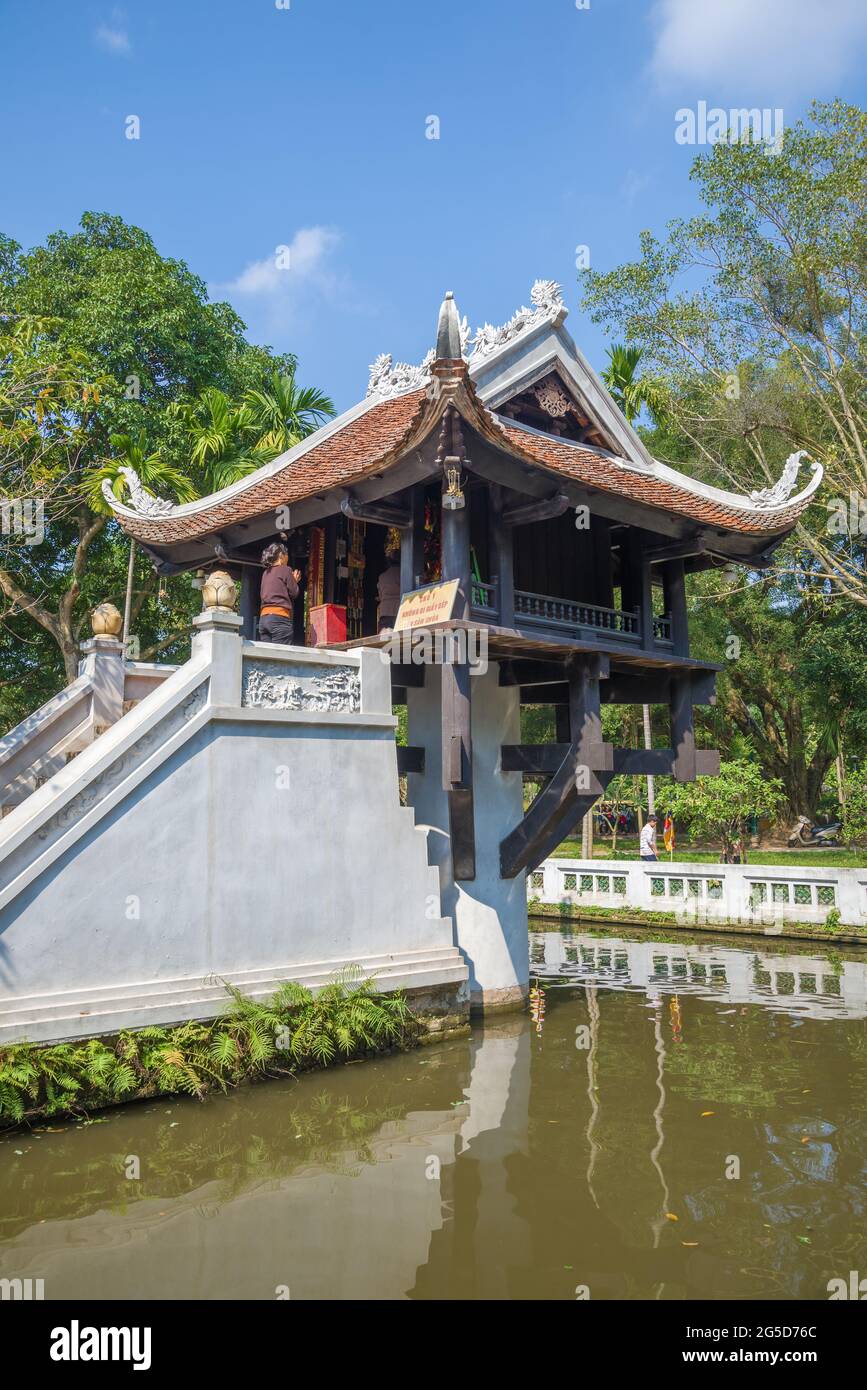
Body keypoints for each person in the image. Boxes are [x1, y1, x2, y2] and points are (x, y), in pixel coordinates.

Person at [258, 541, 301, 644]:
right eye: (287, 555)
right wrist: (294, 581)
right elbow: (294, 593)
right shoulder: (285, 570)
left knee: (267, 655)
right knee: (279, 656)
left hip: (264, 619)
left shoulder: (265, 573)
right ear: (282, 556)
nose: (288, 558)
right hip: (279, 619)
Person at [377, 545, 401, 632]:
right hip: (399, 611)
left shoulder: (382, 577)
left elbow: (380, 596)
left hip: (385, 611)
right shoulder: (403, 574)